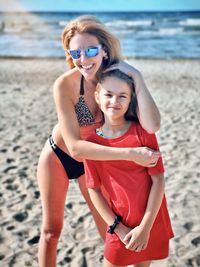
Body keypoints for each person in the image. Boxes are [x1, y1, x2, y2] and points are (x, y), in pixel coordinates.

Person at [37, 15, 161, 267]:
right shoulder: (65, 85)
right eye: (76, 52)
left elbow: (152, 125)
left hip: (95, 162)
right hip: (59, 157)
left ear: (104, 50)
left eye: (91, 50)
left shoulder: (118, 79)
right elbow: (74, 146)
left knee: (107, 230)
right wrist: (130, 154)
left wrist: (137, 77)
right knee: (51, 232)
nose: (83, 59)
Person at [84, 69, 174, 267]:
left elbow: (158, 180)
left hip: (150, 220)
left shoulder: (142, 133)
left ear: (130, 99)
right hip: (119, 223)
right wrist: (117, 227)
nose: (114, 101)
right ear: (97, 96)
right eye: (108, 94)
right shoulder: (91, 142)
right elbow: (94, 189)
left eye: (122, 96)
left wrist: (145, 227)